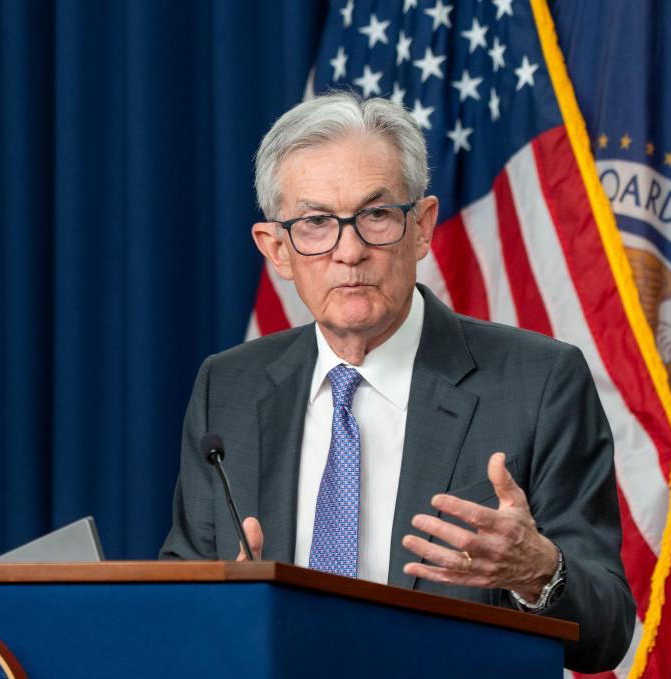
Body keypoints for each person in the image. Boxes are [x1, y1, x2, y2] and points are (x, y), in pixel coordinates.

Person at [160, 92, 635, 672]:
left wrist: (539, 571)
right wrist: (219, 610)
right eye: (316, 223)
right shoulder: (227, 387)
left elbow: (608, 630)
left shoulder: (539, 382)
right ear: (277, 249)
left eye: (376, 215)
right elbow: (178, 602)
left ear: (422, 227)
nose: (350, 251)